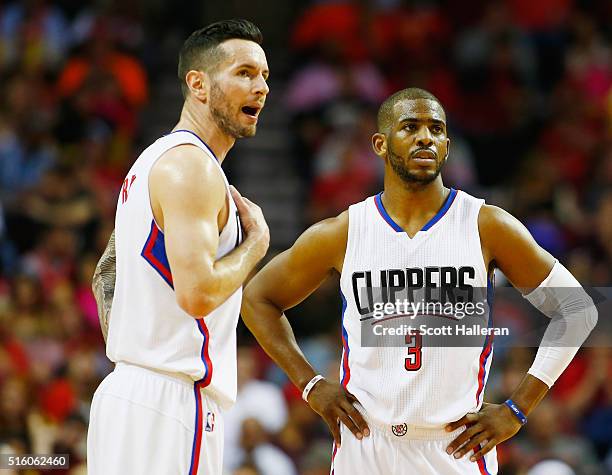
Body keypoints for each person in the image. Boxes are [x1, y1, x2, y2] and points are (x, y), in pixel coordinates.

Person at [241, 88, 597, 474]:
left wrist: (517, 408)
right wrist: (310, 385)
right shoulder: (344, 232)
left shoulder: (486, 225)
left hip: (454, 446)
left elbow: (578, 309)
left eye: (436, 129)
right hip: (366, 445)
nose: (425, 137)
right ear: (380, 143)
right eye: (410, 127)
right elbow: (257, 298)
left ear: (447, 145)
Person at [87, 19, 270, 475]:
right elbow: (197, 294)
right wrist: (255, 247)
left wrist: (140, 354)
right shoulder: (192, 167)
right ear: (198, 84)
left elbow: (104, 277)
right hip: (169, 402)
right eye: (244, 73)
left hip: (127, 395)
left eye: (265, 76)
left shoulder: (150, 162)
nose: (261, 87)